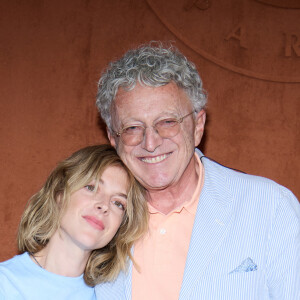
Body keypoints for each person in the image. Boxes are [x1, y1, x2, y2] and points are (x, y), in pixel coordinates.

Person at [95, 43, 300, 300]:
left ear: (198, 125)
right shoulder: (92, 218)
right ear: (113, 138)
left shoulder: (270, 208)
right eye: (133, 128)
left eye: (167, 122)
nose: (150, 142)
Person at [0, 145, 148, 300]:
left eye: (118, 203)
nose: (104, 205)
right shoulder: (5, 283)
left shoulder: (115, 295)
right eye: (91, 187)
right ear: (59, 193)